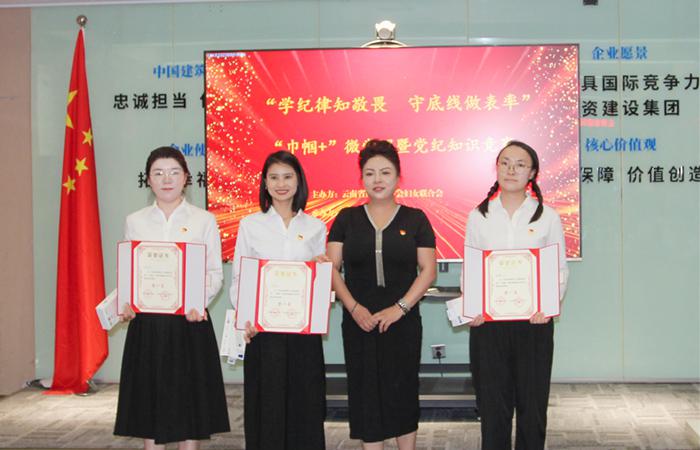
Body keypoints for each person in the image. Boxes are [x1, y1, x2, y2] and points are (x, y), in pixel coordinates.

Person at [114, 146, 230, 449]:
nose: (167, 179)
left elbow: (214, 273)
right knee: (149, 401)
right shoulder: (135, 221)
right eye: (158, 173)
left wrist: (197, 302)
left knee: (190, 402)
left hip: (189, 323)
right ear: (148, 180)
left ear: (186, 177)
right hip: (148, 325)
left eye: (174, 172)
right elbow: (129, 272)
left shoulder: (204, 220)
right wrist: (126, 302)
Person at [327, 139, 437, 450]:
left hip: (403, 321)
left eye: (385, 172)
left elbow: (428, 270)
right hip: (358, 321)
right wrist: (354, 308)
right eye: (370, 173)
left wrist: (400, 308)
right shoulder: (346, 219)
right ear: (361, 178)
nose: (378, 179)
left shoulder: (416, 219)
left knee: (403, 390)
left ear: (398, 177)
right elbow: (331, 268)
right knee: (364, 392)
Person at [465, 140, 569, 450]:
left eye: (520, 164)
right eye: (505, 163)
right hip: (489, 326)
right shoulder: (479, 216)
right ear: (496, 168)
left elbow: (559, 268)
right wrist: (473, 307)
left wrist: (548, 306)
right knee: (492, 408)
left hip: (534, 324)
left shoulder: (547, 216)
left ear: (532, 173)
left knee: (532, 407)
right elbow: (471, 266)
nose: (511, 170)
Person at [230, 150, 327, 450]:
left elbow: (320, 282)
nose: (281, 184)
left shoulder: (315, 227)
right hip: (264, 332)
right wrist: (245, 318)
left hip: (303, 334)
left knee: (305, 406)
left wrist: (323, 273)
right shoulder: (250, 225)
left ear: (299, 181)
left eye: (287, 177)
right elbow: (240, 278)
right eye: (274, 177)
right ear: (265, 183)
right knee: (267, 408)